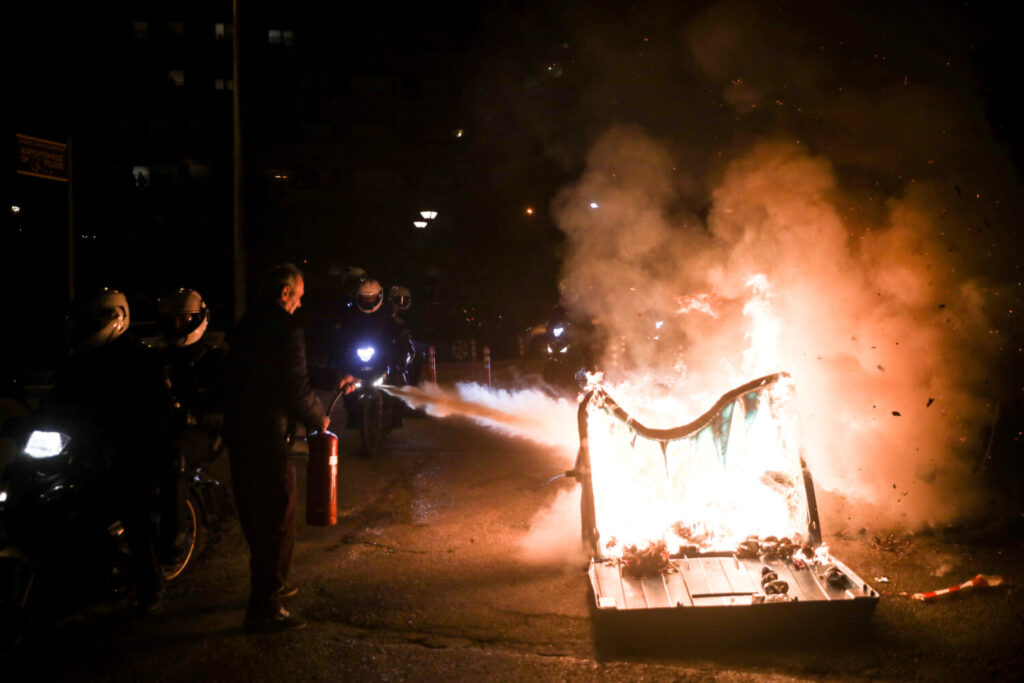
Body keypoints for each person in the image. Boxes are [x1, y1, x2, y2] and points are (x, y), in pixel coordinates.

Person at [224, 264, 354, 632]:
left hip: (240, 434)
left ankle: (271, 585)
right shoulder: (286, 328)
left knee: (255, 517)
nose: (299, 305)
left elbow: (283, 370)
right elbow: (294, 385)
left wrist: (333, 378)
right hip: (268, 439)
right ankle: (265, 606)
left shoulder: (247, 325)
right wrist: (319, 419)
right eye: (298, 297)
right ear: (285, 294)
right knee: (278, 519)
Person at [44, 288, 172, 615]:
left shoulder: (139, 358)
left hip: (130, 454)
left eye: (94, 320)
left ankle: (151, 587)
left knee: (136, 517)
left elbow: (154, 412)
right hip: (88, 451)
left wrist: (127, 435)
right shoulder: (79, 360)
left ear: (118, 317)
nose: (87, 326)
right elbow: (57, 400)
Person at [155, 288, 225, 564]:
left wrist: (200, 415)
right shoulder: (157, 358)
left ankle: (175, 535)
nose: (176, 325)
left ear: (200, 319)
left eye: (184, 320)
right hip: (162, 428)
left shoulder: (214, 359)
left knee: (174, 457)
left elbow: (226, 402)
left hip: (202, 434)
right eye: (171, 319)